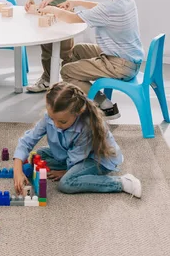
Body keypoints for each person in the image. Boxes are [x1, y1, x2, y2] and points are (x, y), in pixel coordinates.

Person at [40, 0, 144, 119]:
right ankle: (73, 93)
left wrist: (51, 9)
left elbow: (72, 19)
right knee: (78, 50)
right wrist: (77, 3)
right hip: (127, 59)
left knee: (66, 71)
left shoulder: (109, 9)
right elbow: (101, 8)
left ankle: (106, 106)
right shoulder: (126, 0)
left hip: (119, 64)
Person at [13, 82, 141, 197]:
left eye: (62, 121)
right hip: (73, 154)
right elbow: (27, 140)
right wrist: (17, 170)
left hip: (97, 159)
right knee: (40, 155)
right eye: (52, 119)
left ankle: (122, 183)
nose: (56, 125)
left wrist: (66, 172)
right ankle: (73, 171)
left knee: (66, 183)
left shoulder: (86, 126)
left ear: (78, 112)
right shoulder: (50, 117)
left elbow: (77, 157)